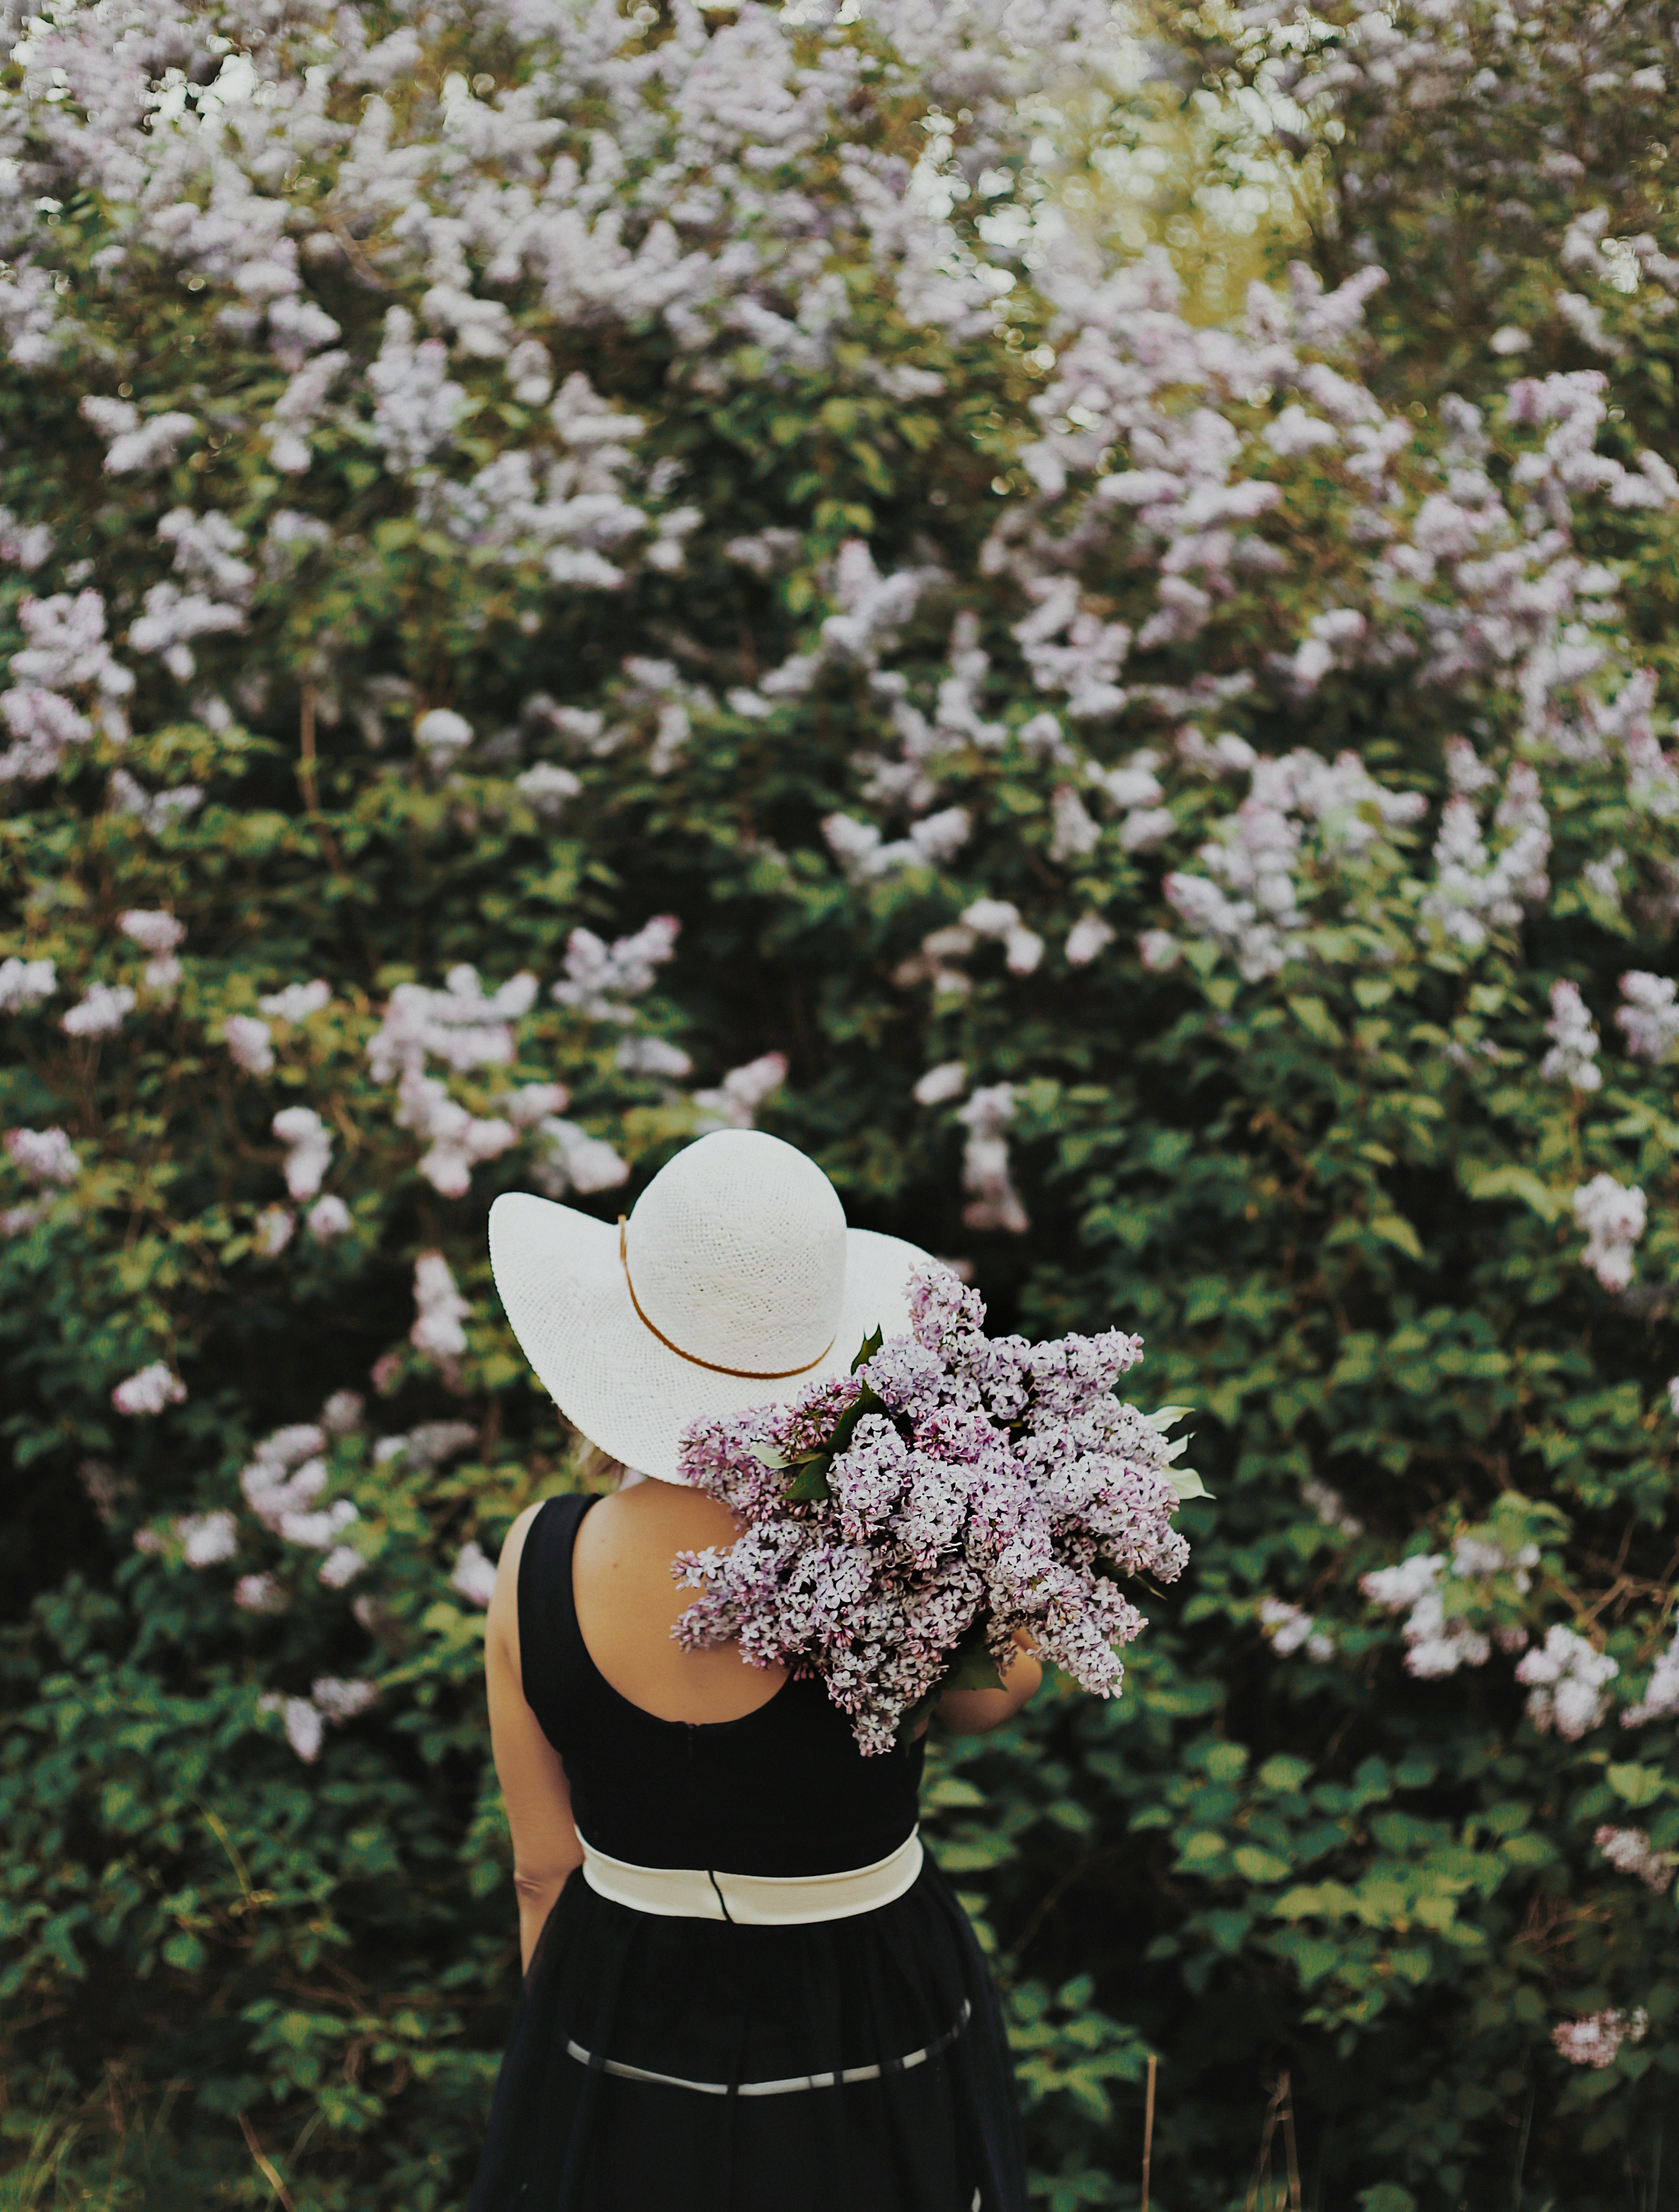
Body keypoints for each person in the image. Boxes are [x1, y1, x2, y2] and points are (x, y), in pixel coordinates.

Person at [468, 1127, 1041, 2212]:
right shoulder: (889, 1556)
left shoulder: (535, 1562)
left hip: (626, 2005)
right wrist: (978, 1525)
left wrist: (569, 2068)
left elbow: (543, 1872)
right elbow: (1001, 1697)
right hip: (870, 2001)